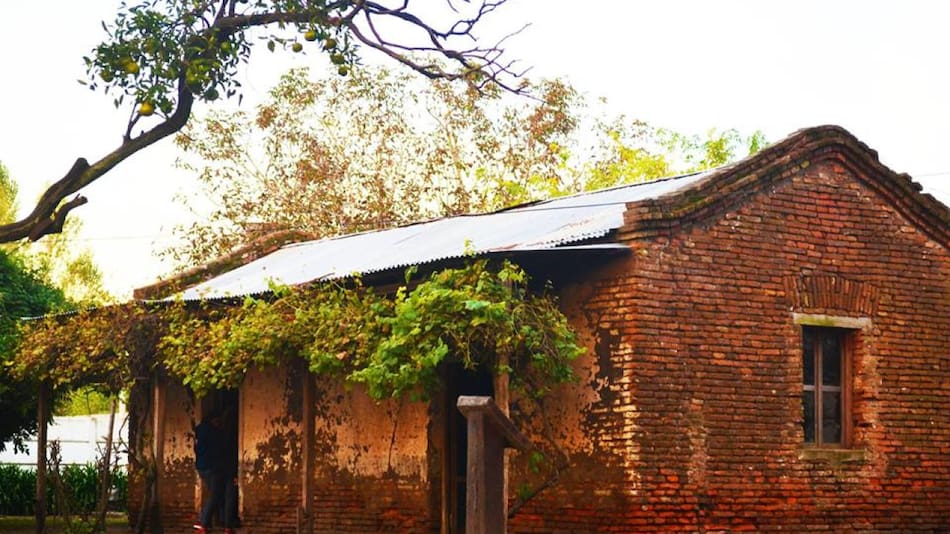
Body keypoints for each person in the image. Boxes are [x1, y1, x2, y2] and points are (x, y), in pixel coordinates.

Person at [193, 410, 227, 533]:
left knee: (215, 493)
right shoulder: (213, 432)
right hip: (211, 467)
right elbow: (217, 450)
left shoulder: (199, 430)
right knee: (215, 494)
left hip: (201, 466)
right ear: (214, 420)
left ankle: (210, 521)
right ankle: (203, 522)